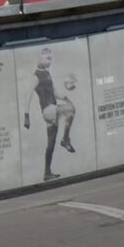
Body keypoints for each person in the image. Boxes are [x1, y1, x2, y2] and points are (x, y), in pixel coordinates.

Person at [24, 50, 70, 181]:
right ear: (40, 59)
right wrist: (26, 116)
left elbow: (54, 92)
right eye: (47, 58)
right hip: (48, 109)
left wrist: (66, 98)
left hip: (52, 110)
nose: (50, 61)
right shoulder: (36, 76)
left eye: (51, 59)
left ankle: (47, 173)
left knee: (51, 144)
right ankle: (66, 139)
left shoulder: (47, 73)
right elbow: (28, 95)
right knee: (70, 110)